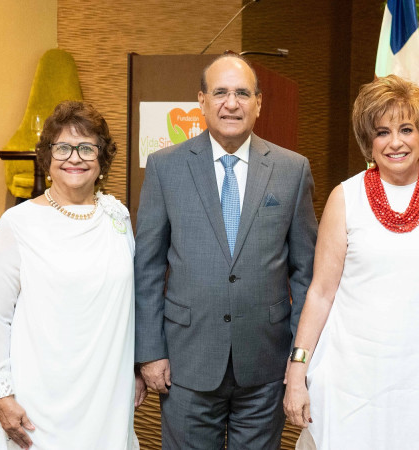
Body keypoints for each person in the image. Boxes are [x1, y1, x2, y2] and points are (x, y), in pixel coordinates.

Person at [283, 74, 419, 449]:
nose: (395, 142)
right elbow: (321, 293)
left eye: (407, 129)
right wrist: (297, 371)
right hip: (353, 382)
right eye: (382, 132)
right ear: (367, 141)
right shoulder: (345, 198)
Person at [134, 54, 318, 449]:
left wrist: (300, 358)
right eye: (220, 92)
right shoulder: (166, 167)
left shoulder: (292, 169)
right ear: (201, 101)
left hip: (266, 363)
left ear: (259, 103)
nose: (230, 103)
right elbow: (147, 267)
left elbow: (306, 273)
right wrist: (150, 352)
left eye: (241, 93)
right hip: (186, 359)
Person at [0, 101, 145, 449]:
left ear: (101, 159)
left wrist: (135, 369)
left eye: (87, 147)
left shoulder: (118, 217)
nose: (75, 157)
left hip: (105, 395)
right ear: (47, 157)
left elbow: (130, 303)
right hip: (38, 401)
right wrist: (0, 395)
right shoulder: (18, 224)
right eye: (63, 147)